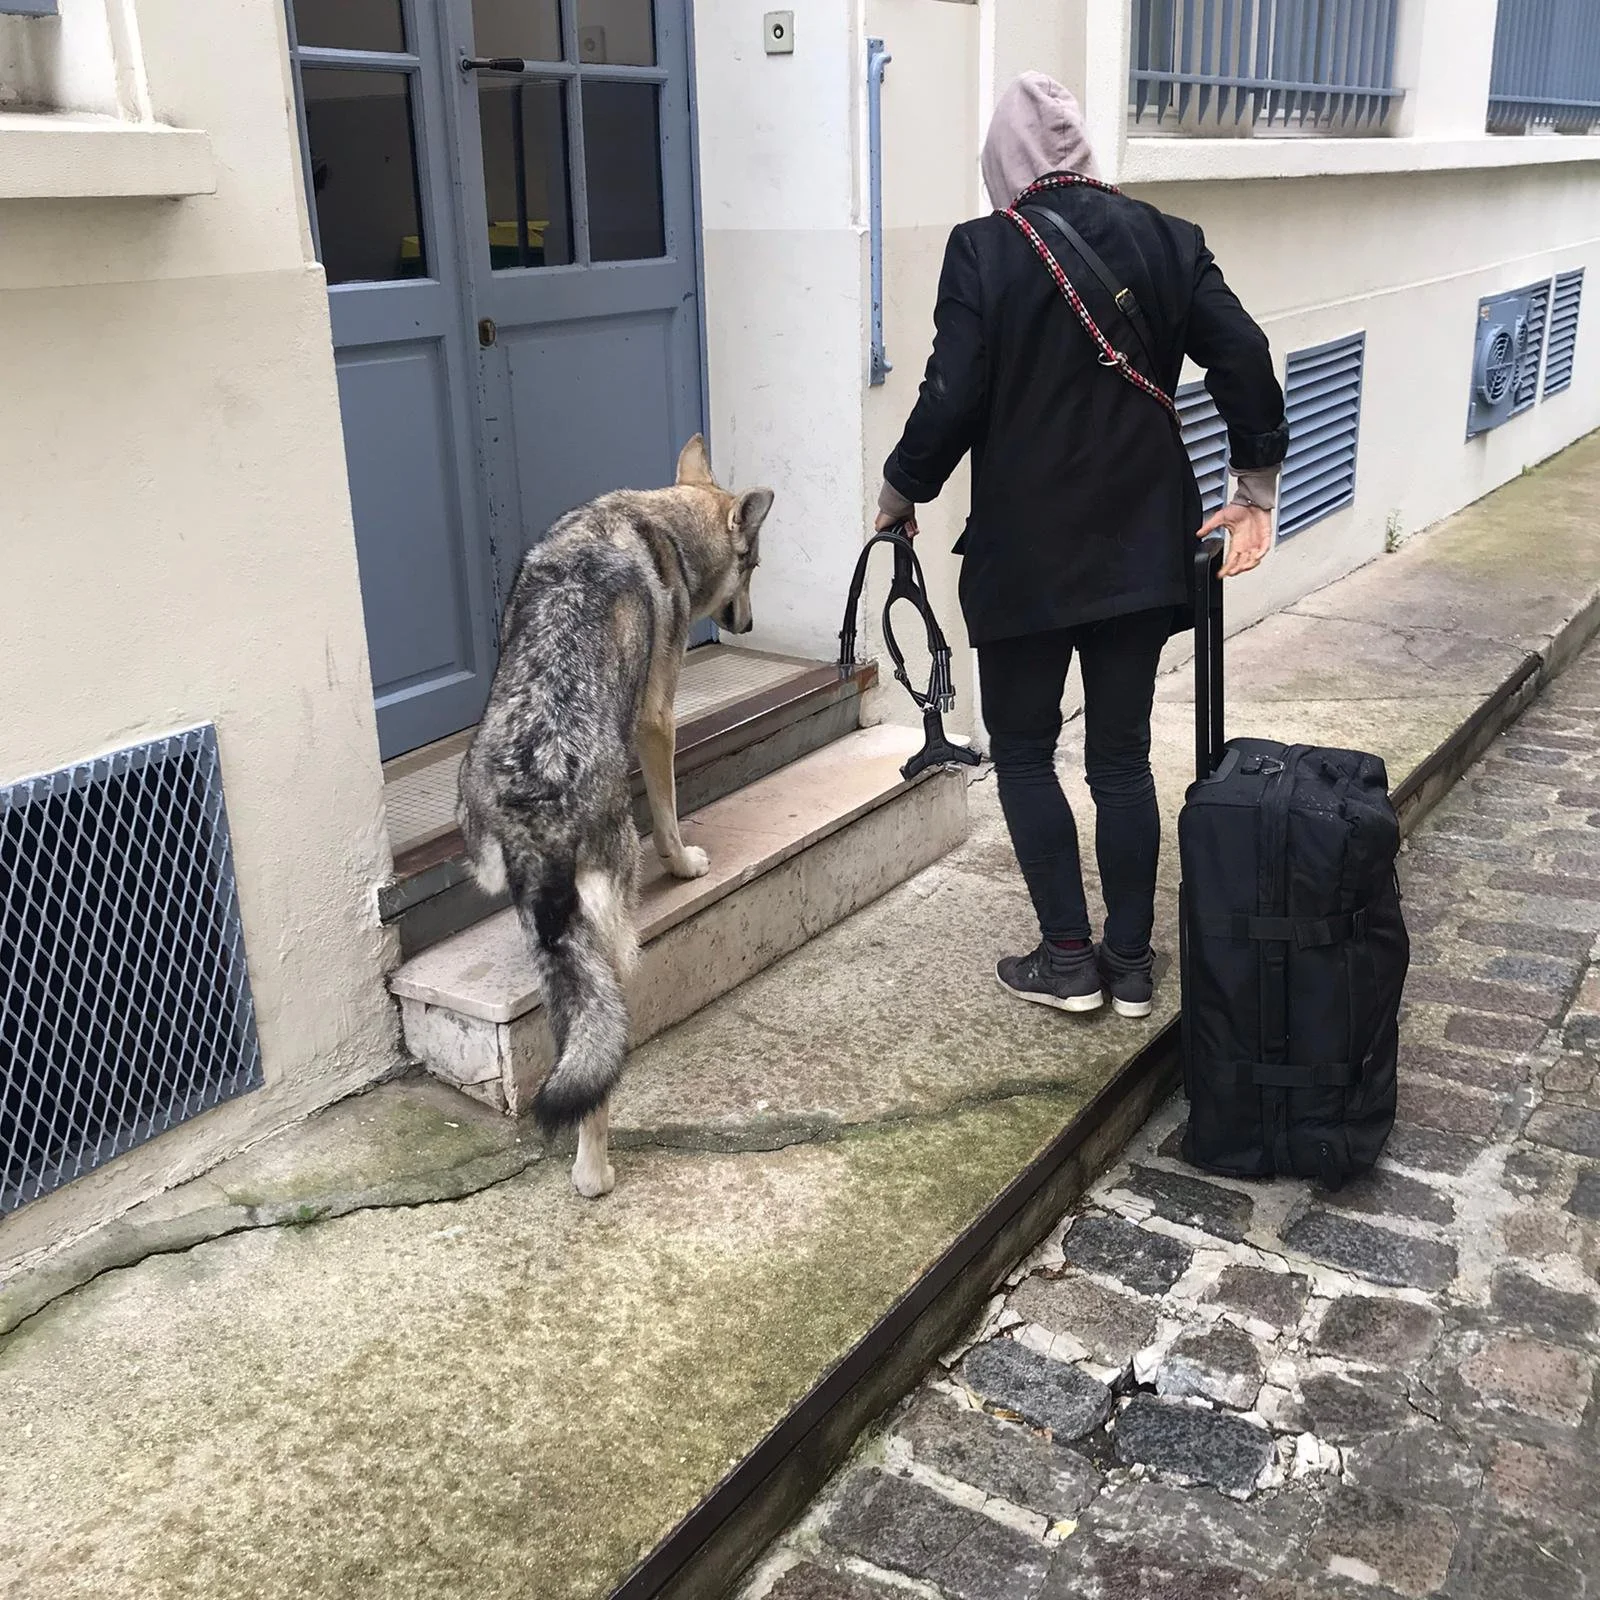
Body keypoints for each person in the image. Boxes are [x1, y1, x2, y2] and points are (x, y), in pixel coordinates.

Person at [877, 72, 1288, 1021]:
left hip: (1024, 553)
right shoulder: (1171, 240)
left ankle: (1068, 961)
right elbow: (1244, 355)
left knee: (1025, 754)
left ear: (1003, 163)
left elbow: (951, 395)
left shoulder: (984, 247)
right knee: (1122, 761)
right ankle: (1132, 967)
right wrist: (1254, 493)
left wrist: (900, 495)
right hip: (1142, 546)